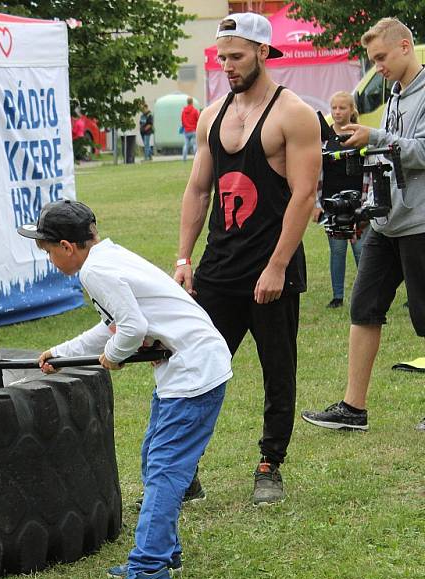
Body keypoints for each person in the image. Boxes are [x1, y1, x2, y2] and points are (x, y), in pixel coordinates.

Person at [19, 200, 232, 579]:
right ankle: (164, 552)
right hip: (189, 367)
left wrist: (114, 357)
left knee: (165, 470)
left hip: (193, 371)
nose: (49, 260)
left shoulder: (96, 270)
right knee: (155, 456)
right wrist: (61, 354)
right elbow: (113, 325)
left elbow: (130, 329)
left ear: (67, 246)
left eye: (47, 252)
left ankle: (149, 572)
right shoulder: (107, 257)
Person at [175, 12, 321, 505]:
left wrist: (277, 265)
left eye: (236, 56)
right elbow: (198, 190)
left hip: (271, 268)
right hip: (219, 268)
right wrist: (182, 258)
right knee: (197, 367)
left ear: (263, 52)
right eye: (222, 58)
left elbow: (304, 197)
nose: (227, 66)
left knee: (277, 370)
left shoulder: (294, 114)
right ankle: (185, 468)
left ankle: (269, 465)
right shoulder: (214, 115)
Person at [302, 18, 425, 433]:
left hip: (420, 224)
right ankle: (353, 409)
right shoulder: (393, 95)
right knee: (363, 307)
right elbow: (390, 154)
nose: (378, 65)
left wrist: (374, 136)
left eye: (382, 57)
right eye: (373, 59)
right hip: (386, 222)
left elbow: (422, 151)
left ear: (405, 46)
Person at [313, 91, 365, 309]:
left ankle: (366, 293)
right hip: (331, 204)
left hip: (358, 204)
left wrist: (366, 203)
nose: (337, 112)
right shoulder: (324, 139)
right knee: (337, 250)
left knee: (361, 250)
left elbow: (368, 173)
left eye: (342, 108)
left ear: (351, 110)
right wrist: (316, 204)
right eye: (334, 108)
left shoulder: (360, 135)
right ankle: (338, 296)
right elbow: (317, 174)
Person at [181, 97, 199, 161]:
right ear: (192, 102)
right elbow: (198, 120)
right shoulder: (195, 111)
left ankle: (184, 159)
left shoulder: (183, 111)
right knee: (195, 145)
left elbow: (182, 121)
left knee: (186, 145)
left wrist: (185, 127)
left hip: (186, 130)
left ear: (187, 102)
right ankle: (196, 159)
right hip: (194, 130)